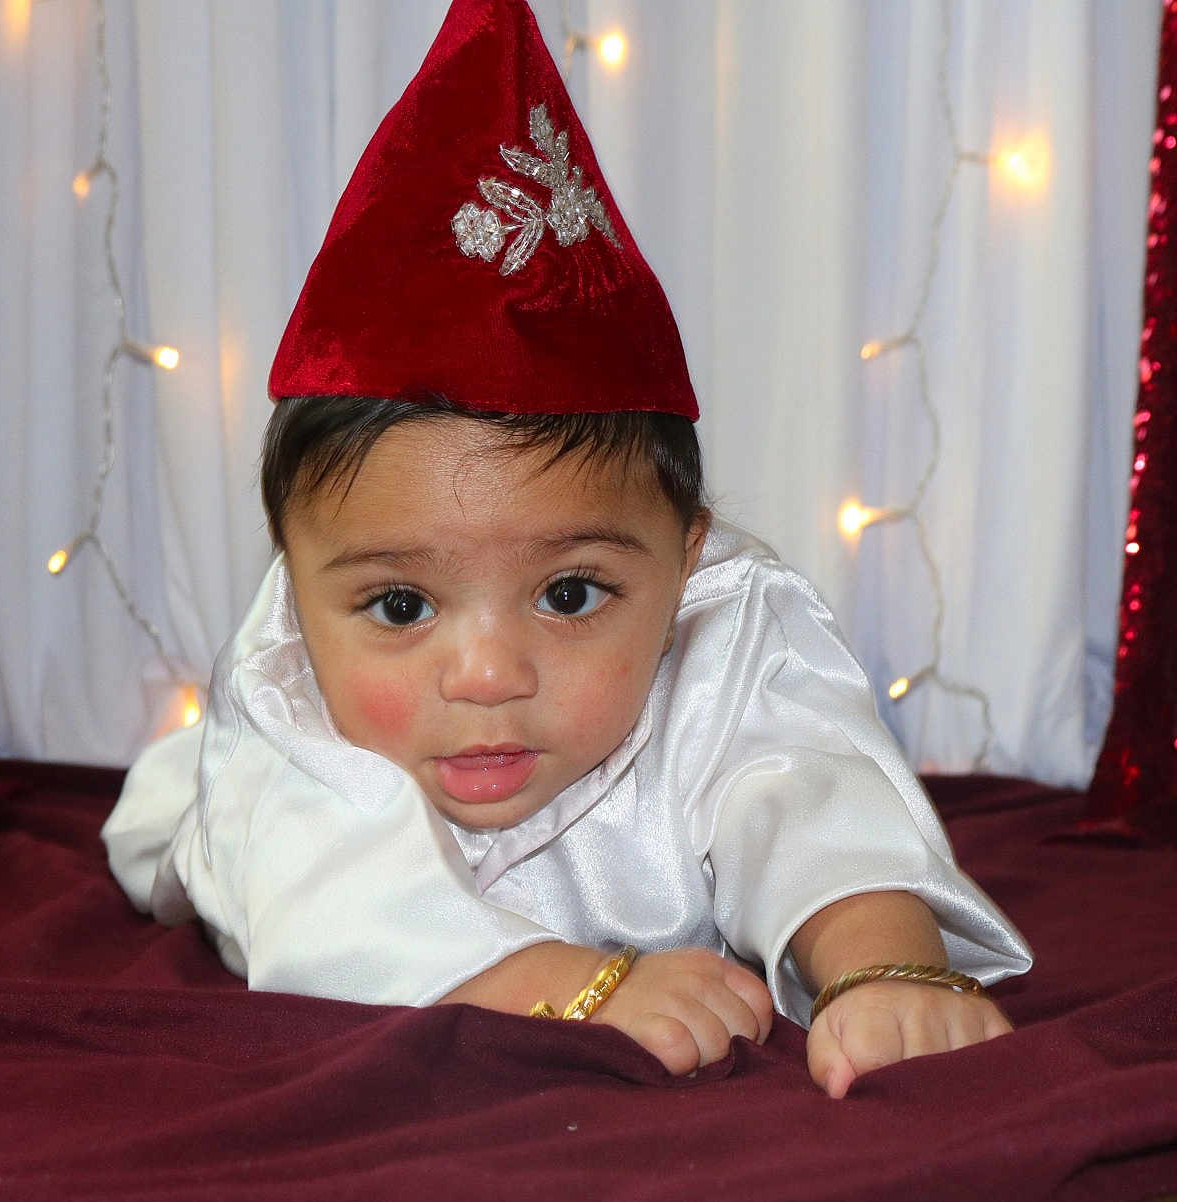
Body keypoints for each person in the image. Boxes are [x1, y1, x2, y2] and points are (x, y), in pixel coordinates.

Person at [104, 0, 1031, 1100]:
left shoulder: (719, 641)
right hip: (218, 824)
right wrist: (568, 984)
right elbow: (324, 911)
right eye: (400, 606)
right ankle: (182, 780)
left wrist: (884, 969)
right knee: (195, 815)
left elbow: (811, 792)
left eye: (570, 593)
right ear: (296, 591)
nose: (488, 673)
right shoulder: (288, 712)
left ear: (684, 566)